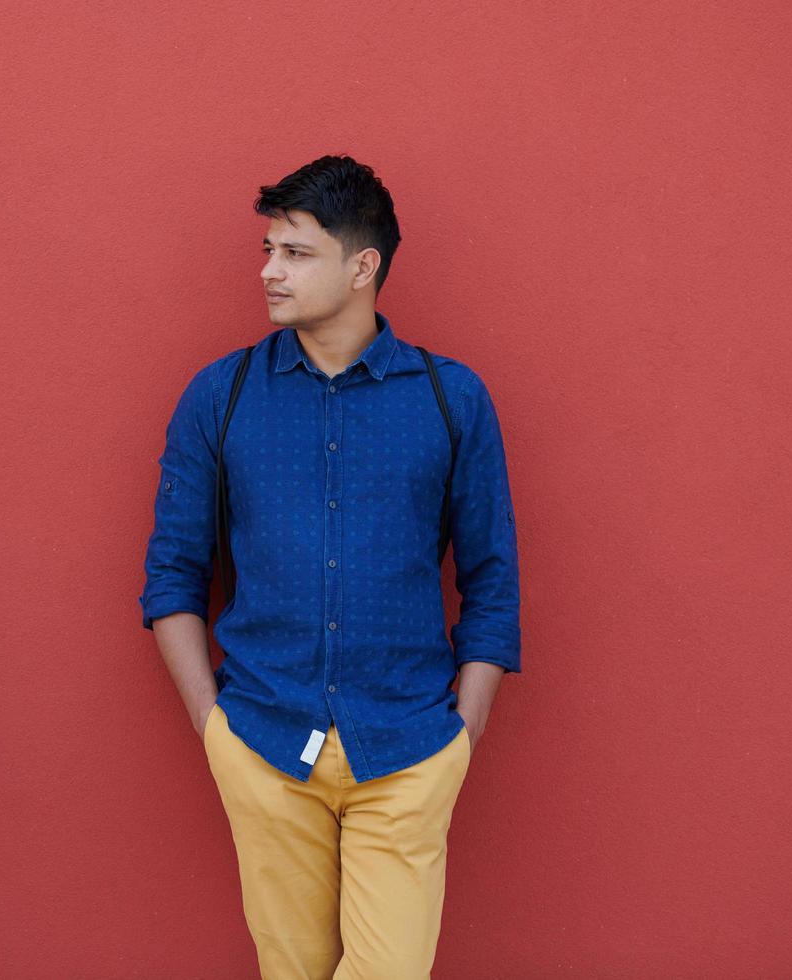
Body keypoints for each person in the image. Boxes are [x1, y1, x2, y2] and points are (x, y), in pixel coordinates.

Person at [141, 155, 520, 979]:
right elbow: (173, 571)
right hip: (265, 744)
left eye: (296, 253)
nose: (269, 272)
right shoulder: (223, 394)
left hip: (412, 747)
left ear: (362, 267)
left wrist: (465, 728)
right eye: (269, 250)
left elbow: (492, 577)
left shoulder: (451, 399)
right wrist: (215, 729)